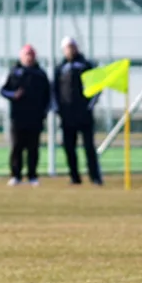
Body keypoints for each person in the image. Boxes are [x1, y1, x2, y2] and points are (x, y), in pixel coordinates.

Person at [0, 44, 51, 186]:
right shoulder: (13, 72)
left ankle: (32, 176)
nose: (29, 58)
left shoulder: (40, 74)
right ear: (21, 56)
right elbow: (3, 90)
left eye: (31, 55)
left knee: (33, 148)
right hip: (17, 117)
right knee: (17, 147)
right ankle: (15, 175)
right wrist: (13, 95)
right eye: (26, 55)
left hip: (35, 117)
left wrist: (44, 112)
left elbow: (48, 95)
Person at [54, 36, 102, 186]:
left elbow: (97, 86)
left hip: (84, 114)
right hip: (67, 115)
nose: (70, 50)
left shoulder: (86, 65)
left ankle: (95, 177)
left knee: (88, 147)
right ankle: (75, 177)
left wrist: (90, 105)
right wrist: (58, 109)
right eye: (67, 48)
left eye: (72, 47)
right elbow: (54, 90)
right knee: (69, 147)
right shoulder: (60, 68)